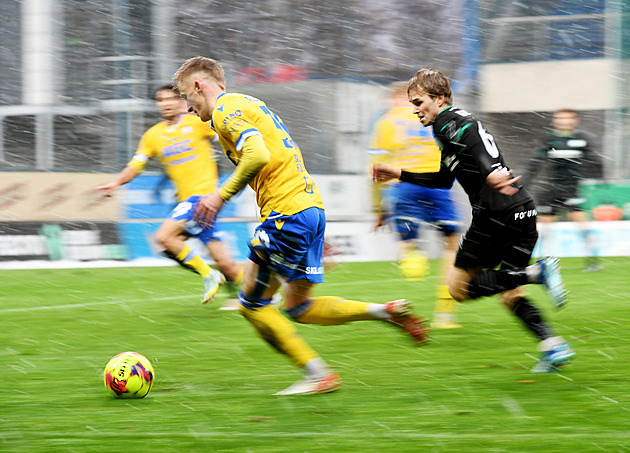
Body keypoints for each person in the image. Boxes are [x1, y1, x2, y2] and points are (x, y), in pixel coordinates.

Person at [173, 56, 429, 396]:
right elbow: (280, 153)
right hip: (307, 208)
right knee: (298, 307)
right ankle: (385, 311)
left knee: (252, 305)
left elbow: (258, 155)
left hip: (286, 214)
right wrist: (310, 225)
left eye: (185, 97)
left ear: (198, 86)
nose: (188, 108)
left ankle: (318, 374)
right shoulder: (250, 103)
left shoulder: (224, 111)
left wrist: (219, 197)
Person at [371, 68, 574, 373]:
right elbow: (442, 179)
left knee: (457, 289)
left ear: (439, 99)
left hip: (495, 214)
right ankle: (552, 345)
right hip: (521, 209)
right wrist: (398, 172)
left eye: (418, 102)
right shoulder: (457, 119)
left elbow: (472, 142)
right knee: (509, 293)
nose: (415, 109)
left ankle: (536, 272)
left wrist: (489, 168)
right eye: (412, 103)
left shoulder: (445, 122)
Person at [97, 84, 242, 305]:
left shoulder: (198, 122)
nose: (165, 103)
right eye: (160, 99)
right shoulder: (153, 135)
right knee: (224, 262)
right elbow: (137, 165)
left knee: (164, 238)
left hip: (202, 197)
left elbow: (227, 135)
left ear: (181, 101)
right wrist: (117, 182)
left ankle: (210, 276)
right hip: (190, 203)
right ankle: (257, 294)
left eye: (169, 98)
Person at [369, 81, 462, 329]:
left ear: (393, 99)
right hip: (437, 185)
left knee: (409, 240)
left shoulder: (387, 121)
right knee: (452, 247)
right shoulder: (436, 116)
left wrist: (379, 210)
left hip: (405, 185)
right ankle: (445, 314)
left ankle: (412, 252)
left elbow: (376, 171)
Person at [526, 109, 603, 272]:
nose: (563, 121)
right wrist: (525, 182)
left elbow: (595, 161)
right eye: (559, 118)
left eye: (567, 118)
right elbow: (535, 163)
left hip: (572, 190)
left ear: (575, 120)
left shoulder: (581, 140)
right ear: (554, 121)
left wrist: (599, 178)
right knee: (544, 230)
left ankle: (593, 261)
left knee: (582, 226)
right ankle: (547, 263)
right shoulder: (550, 140)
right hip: (551, 190)